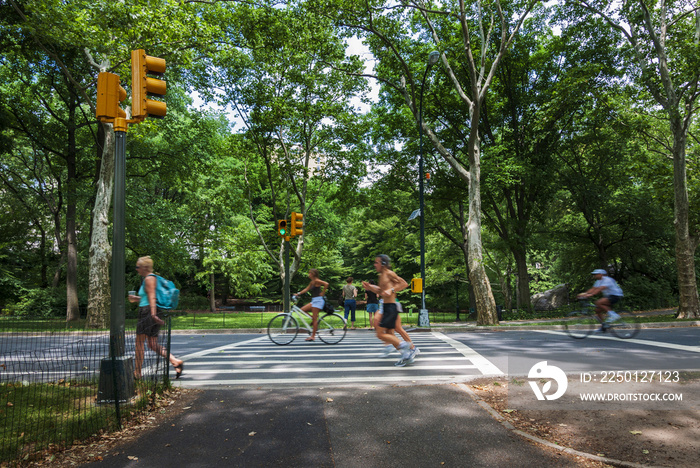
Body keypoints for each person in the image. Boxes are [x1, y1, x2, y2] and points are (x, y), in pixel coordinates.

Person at [128, 256, 184, 380]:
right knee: (152, 344)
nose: (137, 269)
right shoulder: (150, 279)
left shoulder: (149, 279)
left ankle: (137, 373)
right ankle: (175, 361)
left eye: (138, 267)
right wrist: (136, 299)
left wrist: (153, 315)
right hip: (150, 311)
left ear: (144, 267)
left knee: (139, 343)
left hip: (148, 313)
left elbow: (153, 297)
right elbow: (147, 298)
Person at [362, 255, 417, 366]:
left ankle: (404, 345)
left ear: (383, 264)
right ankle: (406, 354)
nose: (374, 264)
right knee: (388, 333)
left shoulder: (389, 273)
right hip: (386, 307)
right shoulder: (381, 275)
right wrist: (370, 287)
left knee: (381, 334)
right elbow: (380, 290)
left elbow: (404, 283)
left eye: (376, 262)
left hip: (391, 307)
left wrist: (391, 290)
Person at [295, 269, 329, 341]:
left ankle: (313, 336)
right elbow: (306, 289)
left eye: (309, 273)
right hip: (314, 301)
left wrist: (323, 292)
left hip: (318, 301)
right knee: (302, 310)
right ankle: (313, 319)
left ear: (313, 274)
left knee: (315, 319)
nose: (308, 274)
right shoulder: (312, 282)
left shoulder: (317, 280)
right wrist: (298, 293)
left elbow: (326, 284)